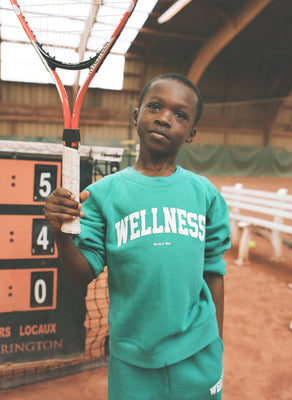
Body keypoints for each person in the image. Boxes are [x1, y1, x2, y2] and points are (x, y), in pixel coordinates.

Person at [44, 72, 231, 400]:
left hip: (199, 352)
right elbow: (80, 274)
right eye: (155, 107)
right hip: (132, 361)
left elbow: (213, 272)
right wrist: (61, 235)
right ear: (136, 115)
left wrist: (216, 341)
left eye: (180, 115)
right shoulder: (101, 195)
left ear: (191, 133)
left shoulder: (205, 194)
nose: (164, 118)